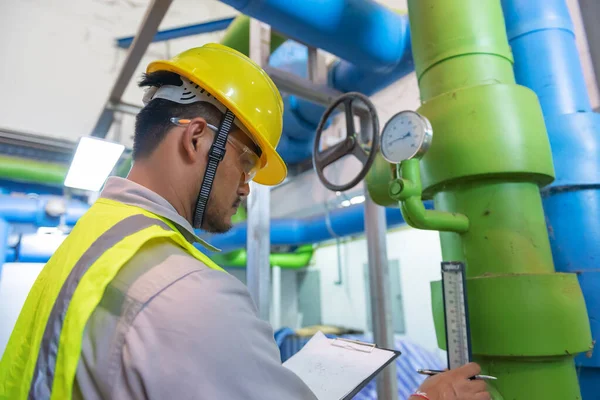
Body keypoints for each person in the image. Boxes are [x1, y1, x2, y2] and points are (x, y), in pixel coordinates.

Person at [0, 43, 490, 400]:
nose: (246, 187)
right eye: (246, 163)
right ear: (196, 139)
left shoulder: (95, 237)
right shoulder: (185, 291)